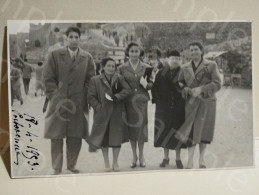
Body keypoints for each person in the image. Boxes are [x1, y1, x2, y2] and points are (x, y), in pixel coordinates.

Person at [43, 27, 95, 175]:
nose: (73, 39)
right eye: (70, 37)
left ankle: (71, 165)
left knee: (75, 135)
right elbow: (48, 78)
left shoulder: (87, 58)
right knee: (56, 135)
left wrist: (84, 95)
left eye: (76, 37)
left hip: (78, 102)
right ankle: (56, 167)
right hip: (58, 103)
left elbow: (91, 79)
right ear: (66, 38)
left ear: (80, 38)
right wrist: (55, 96)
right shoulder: (54, 55)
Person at [175, 42, 221, 169]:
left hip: (207, 103)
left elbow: (217, 83)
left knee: (204, 132)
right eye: (191, 50)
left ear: (201, 51)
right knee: (191, 131)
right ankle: (190, 161)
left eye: (196, 49)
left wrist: (201, 89)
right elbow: (180, 83)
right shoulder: (184, 67)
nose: (193, 52)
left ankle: (201, 160)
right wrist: (185, 89)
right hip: (191, 103)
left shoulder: (211, 65)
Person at [87, 57, 131, 172]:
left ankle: (115, 162)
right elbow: (90, 97)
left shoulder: (120, 78)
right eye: (109, 66)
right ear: (103, 67)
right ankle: (106, 163)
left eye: (113, 66)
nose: (111, 68)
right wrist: (98, 107)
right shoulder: (95, 80)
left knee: (116, 138)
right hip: (102, 113)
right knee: (104, 138)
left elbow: (128, 90)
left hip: (117, 113)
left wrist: (117, 96)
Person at [118, 42, 155, 168]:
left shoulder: (147, 67)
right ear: (128, 53)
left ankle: (142, 155)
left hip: (141, 101)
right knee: (131, 129)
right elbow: (118, 85)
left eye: (136, 51)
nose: (134, 54)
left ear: (140, 53)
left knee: (141, 129)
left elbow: (151, 84)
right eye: (132, 51)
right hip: (128, 102)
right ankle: (134, 156)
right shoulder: (122, 68)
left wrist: (146, 85)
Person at [151, 50, 186, 169]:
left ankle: (178, 158)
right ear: (167, 60)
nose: (175, 60)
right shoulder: (161, 73)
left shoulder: (183, 72)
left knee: (177, 132)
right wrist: (158, 101)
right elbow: (154, 88)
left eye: (177, 58)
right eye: (172, 58)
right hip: (163, 108)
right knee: (164, 132)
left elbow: (187, 88)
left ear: (180, 60)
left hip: (178, 108)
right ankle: (165, 158)